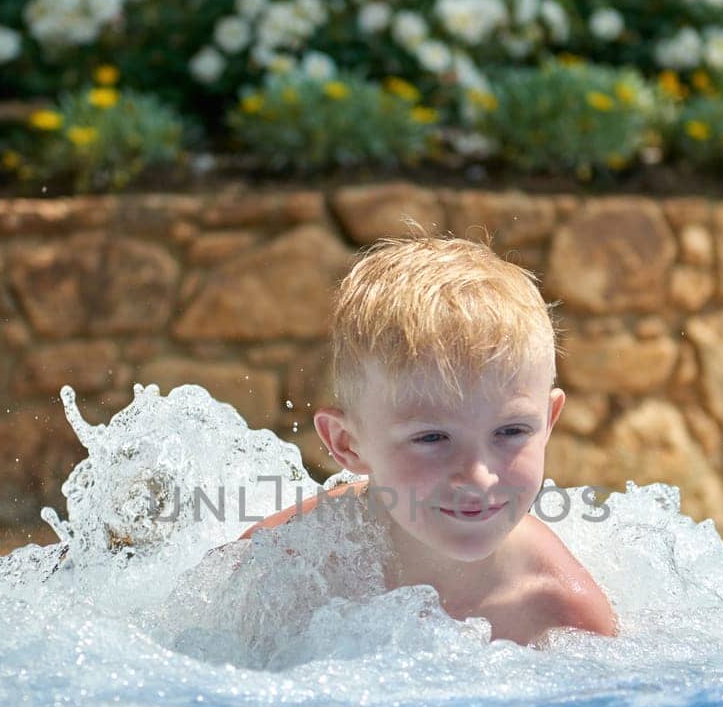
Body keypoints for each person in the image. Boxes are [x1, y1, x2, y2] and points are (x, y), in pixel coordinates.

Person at [240, 235, 617, 646]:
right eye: (433, 437)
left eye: (510, 431)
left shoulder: (567, 616)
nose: (478, 477)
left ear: (548, 421)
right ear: (347, 443)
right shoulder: (279, 563)